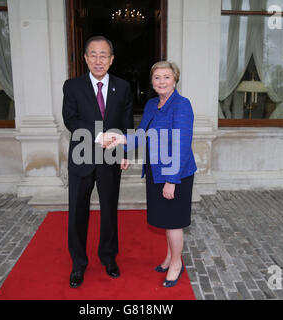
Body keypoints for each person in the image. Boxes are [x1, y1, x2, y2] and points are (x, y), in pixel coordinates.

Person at [106, 61, 197, 287]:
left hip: (176, 174)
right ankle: (169, 258)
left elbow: (181, 146)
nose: (162, 82)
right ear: (152, 81)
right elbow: (141, 134)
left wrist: (172, 181)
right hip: (156, 171)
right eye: (157, 78)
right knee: (166, 220)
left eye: (167, 77)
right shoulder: (151, 104)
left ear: (175, 79)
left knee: (174, 222)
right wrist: (123, 147)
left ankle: (176, 264)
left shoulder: (182, 105)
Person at [62, 36, 134, 288]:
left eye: (103, 55)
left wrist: (126, 151)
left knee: (109, 211)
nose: (98, 60)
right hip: (81, 155)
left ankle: (108, 258)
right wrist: (99, 135)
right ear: (85, 58)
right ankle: (78, 264)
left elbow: (126, 122)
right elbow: (70, 120)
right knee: (77, 213)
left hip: (111, 157)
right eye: (93, 54)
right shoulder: (72, 86)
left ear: (111, 59)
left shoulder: (123, 87)